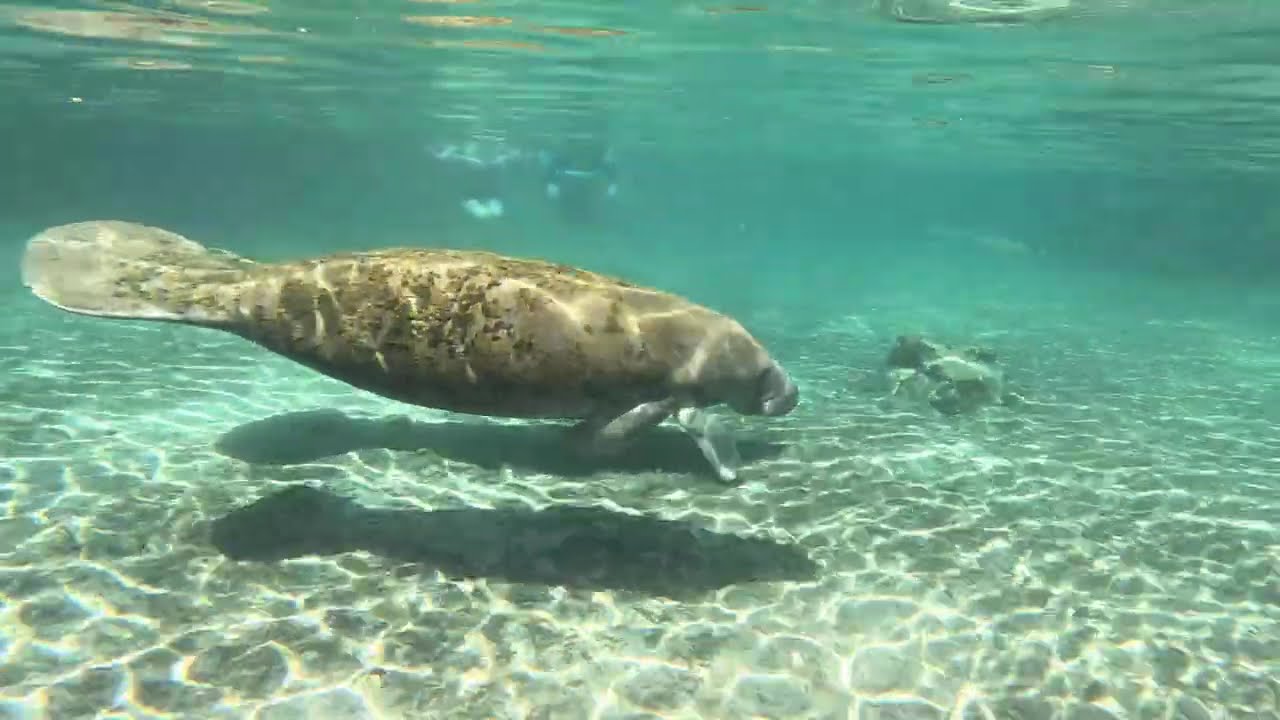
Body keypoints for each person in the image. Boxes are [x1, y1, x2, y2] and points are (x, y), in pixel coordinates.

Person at [539, 140, 618, 224]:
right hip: (574, 177)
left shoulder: (596, 162)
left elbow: (608, 167)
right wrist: (552, 184)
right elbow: (553, 168)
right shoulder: (564, 161)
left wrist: (612, 185)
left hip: (581, 176)